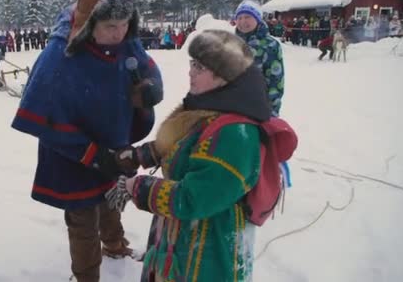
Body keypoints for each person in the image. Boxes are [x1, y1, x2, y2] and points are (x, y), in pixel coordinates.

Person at [11, 0, 163, 282]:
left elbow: (147, 67)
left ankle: (116, 246)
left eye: (124, 24)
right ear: (88, 23)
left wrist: (151, 90)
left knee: (111, 202)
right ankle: (86, 276)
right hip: (75, 155)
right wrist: (95, 156)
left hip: (113, 141)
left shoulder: (126, 38)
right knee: (82, 222)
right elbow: (48, 123)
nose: (120, 33)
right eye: (110, 27)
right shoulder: (58, 58)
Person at [105, 30, 278, 281]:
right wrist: (140, 155)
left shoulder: (236, 134)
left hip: (206, 253)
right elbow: (183, 143)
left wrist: (138, 188)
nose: (190, 71)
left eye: (199, 66)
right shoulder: (208, 106)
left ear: (224, 77)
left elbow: (193, 198)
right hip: (179, 242)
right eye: (192, 63)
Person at [234, 0, 284, 116]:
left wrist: (271, 114)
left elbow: (276, 83)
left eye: (247, 17)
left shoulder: (270, 45)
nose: (243, 21)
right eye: (239, 18)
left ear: (257, 19)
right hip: (232, 107)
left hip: (258, 109)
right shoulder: (231, 43)